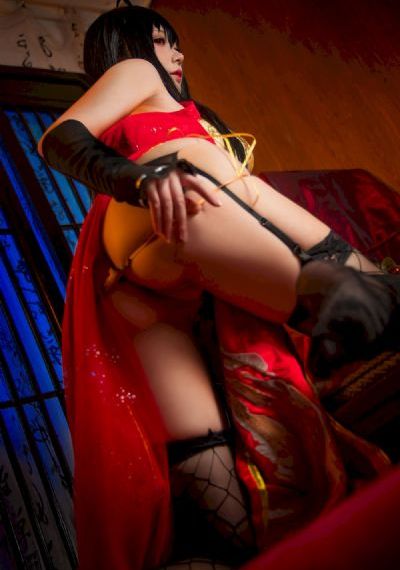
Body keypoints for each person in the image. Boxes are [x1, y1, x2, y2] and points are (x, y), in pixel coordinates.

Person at [37, 3, 399, 570]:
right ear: (126, 46)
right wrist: (142, 179)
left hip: (137, 284)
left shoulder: (187, 113)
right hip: (164, 217)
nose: (176, 53)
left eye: (174, 42)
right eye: (162, 40)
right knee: (362, 306)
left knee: (210, 492)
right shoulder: (136, 73)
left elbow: (253, 202)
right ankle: (371, 297)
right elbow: (57, 139)